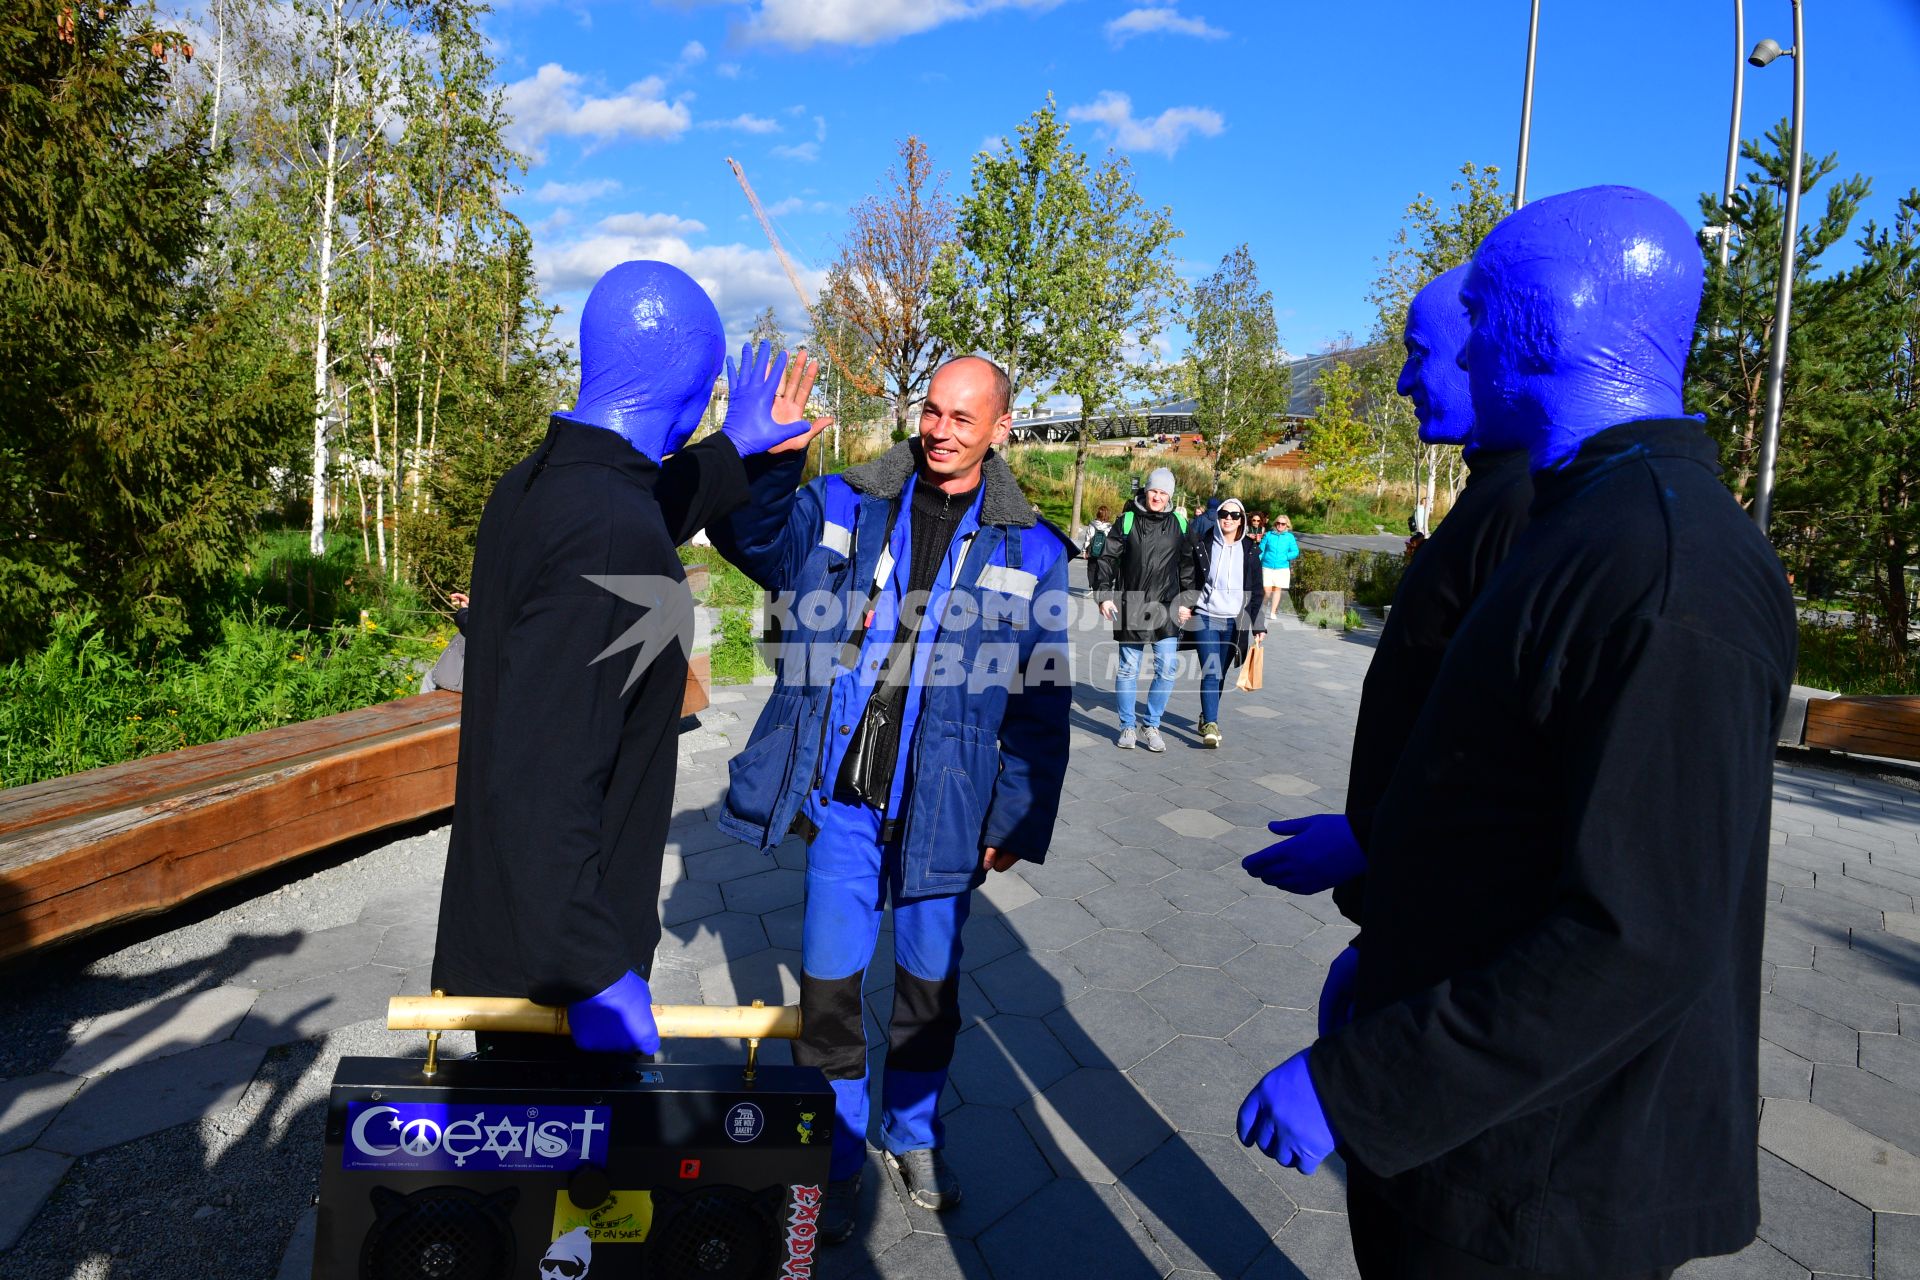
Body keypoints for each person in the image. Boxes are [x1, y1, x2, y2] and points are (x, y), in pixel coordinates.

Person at [1236, 187, 1797, 1279]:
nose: (1465, 339)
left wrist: (1362, 1080)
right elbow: (1515, 796)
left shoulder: (1668, 569)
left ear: (1548, 317)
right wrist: (1386, 892)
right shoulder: (1585, 522)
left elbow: (1635, 936)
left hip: (1542, 1181)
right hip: (1482, 1136)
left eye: (1483, 311)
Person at [710, 355, 1072, 1244]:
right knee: (829, 994)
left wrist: (1018, 817)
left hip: (947, 814)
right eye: (932, 412)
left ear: (1000, 429)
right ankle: (833, 1157)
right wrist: (769, 462)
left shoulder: (1036, 548)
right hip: (845, 805)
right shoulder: (847, 501)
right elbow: (756, 544)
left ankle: (912, 1136)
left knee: (926, 998)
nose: (941, 430)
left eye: (962, 417)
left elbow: (1043, 698)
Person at [430, 260, 824, 1061]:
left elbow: (638, 501)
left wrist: (738, 447)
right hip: (559, 978)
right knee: (567, 1181)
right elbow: (543, 778)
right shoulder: (610, 530)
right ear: (690, 391)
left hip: (502, 927)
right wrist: (594, 971)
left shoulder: (535, 485)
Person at [1244, 261, 1534, 946]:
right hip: (1414, 899)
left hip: (1442, 920)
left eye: (1418, 355)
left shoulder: (1521, 509)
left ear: (1479, 348)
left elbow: (1504, 752)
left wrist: (1375, 838)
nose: (1405, 382)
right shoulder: (1494, 498)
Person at [1093, 467, 1193, 753]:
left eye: (1163, 493)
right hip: (1132, 603)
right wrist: (1103, 595)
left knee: (1168, 669)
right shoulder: (1126, 522)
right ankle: (1127, 726)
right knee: (1127, 669)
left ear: (1170, 496)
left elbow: (1188, 566)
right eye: (1154, 491)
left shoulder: (1180, 525)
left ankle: (1151, 724)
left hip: (1167, 606)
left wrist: (1188, 603)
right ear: (1145, 491)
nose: (1157, 497)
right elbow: (1106, 559)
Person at [1186, 496, 1267, 747]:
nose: (1228, 519)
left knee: (1219, 674)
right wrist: (1187, 604)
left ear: (1242, 519)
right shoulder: (1204, 544)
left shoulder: (1249, 550)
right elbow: (1188, 576)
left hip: (1234, 621)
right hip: (1206, 616)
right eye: (1224, 514)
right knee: (1211, 670)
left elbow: (1256, 589)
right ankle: (1212, 724)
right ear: (1218, 517)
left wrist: (1259, 624)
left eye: (1234, 515)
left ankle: (1205, 716)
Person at [1255, 511, 1299, 621]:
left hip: (1282, 568)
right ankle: (1261, 610)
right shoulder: (1269, 535)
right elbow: (1261, 549)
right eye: (1278, 523)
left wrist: (1286, 556)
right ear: (1275, 524)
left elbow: (1295, 551)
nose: (1280, 525)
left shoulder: (1290, 537)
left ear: (1287, 526)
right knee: (1267, 590)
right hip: (1267, 566)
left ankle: (1273, 612)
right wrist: (1257, 561)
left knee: (1277, 590)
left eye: (1283, 524)